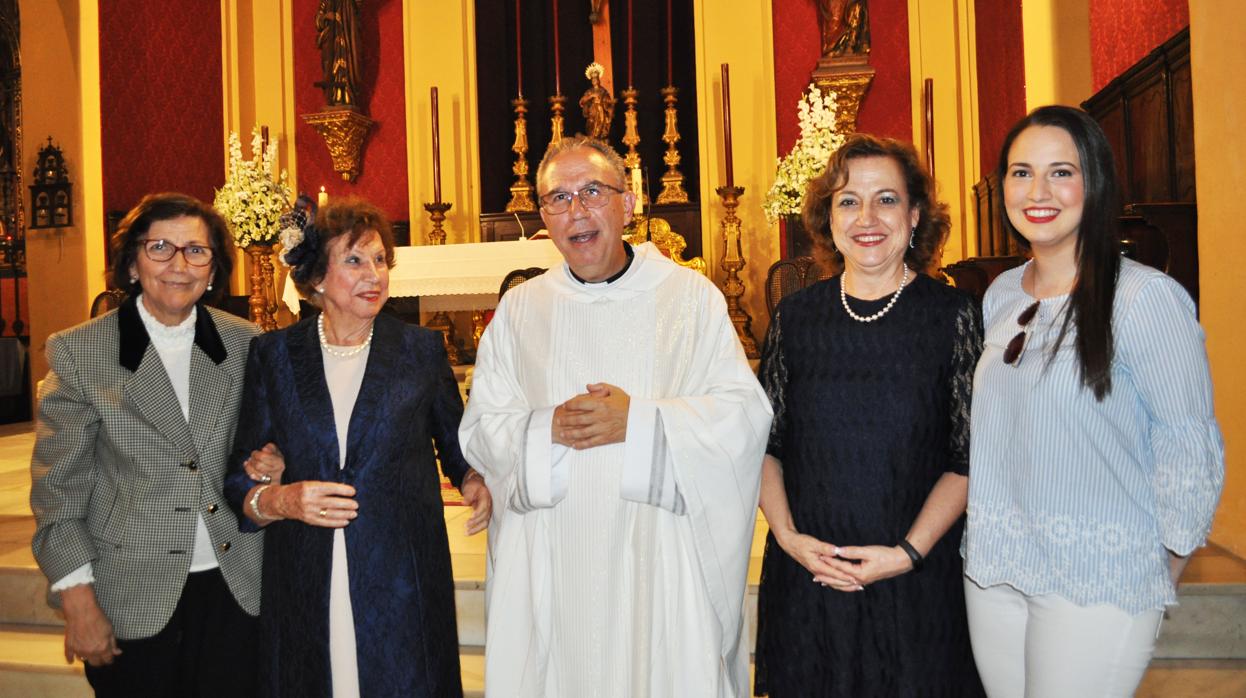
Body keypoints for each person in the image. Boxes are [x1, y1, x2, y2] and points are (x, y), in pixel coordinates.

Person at [459, 136, 772, 697]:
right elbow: (483, 426)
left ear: (628, 205)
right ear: (542, 218)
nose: (575, 210)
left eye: (592, 191)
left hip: (657, 558)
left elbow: (743, 418)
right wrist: (543, 429)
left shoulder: (690, 299)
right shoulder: (520, 309)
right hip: (553, 560)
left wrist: (643, 423)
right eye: (558, 198)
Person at [962, 105, 1224, 697]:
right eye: (1021, 172)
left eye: (1062, 172)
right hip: (996, 568)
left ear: (1095, 183)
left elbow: (1188, 444)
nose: (1039, 191)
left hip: (1097, 575)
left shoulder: (1143, 299)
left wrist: (1159, 568)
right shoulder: (1001, 293)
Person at [223, 196, 491, 697]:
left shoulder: (420, 350)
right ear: (318, 279)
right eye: (354, 260)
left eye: (380, 259)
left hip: (400, 574)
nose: (375, 274)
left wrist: (474, 479)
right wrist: (276, 496)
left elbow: (458, 446)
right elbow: (240, 473)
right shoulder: (274, 355)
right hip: (306, 572)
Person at [754, 134, 985, 697]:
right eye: (848, 200)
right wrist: (788, 537)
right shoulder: (796, 317)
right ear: (827, 218)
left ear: (914, 215)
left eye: (886, 199)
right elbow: (765, 445)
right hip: (812, 575)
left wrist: (906, 554)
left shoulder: (952, 316)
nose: (867, 217)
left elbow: (969, 458)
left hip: (917, 580)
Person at [29, 192, 262, 696]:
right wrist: (77, 600)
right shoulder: (79, 351)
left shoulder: (247, 343)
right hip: (131, 590)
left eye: (196, 251)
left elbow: (265, 446)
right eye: (160, 247)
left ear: (214, 269)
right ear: (132, 263)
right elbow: (57, 495)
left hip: (234, 588)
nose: (179, 265)